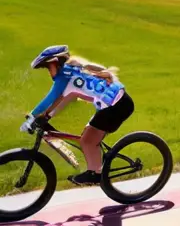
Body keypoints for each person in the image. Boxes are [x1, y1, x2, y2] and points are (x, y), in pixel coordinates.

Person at [20, 45, 135, 185]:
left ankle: (95, 174)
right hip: (118, 103)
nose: (49, 73)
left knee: (87, 141)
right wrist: (47, 116)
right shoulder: (71, 73)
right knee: (88, 137)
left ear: (56, 63)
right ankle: (97, 167)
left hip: (116, 107)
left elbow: (50, 99)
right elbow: (64, 99)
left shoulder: (65, 78)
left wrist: (32, 117)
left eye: (48, 68)